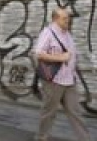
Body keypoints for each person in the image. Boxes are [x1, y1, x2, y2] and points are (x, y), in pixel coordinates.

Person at [33, 8, 91, 141]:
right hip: (54, 81)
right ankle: (41, 137)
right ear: (55, 19)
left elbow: (71, 55)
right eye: (64, 18)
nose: (68, 20)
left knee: (75, 113)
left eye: (68, 18)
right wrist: (60, 58)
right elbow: (39, 53)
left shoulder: (67, 34)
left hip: (69, 80)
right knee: (49, 112)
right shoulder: (48, 33)